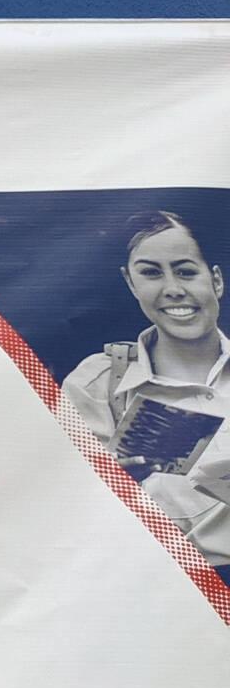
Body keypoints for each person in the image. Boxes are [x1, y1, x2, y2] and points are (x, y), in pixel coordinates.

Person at [62, 211, 230, 566]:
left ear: (216, 280)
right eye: (151, 273)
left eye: (186, 271)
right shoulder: (98, 382)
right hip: (143, 580)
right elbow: (57, 511)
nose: (172, 289)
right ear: (131, 283)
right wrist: (106, 489)